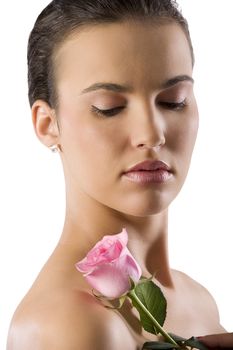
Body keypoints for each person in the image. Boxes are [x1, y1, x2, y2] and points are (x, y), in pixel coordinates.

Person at [6, 0, 228, 349]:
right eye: (109, 108)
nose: (152, 135)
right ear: (48, 124)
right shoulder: (66, 324)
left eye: (174, 100)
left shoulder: (198, 299)